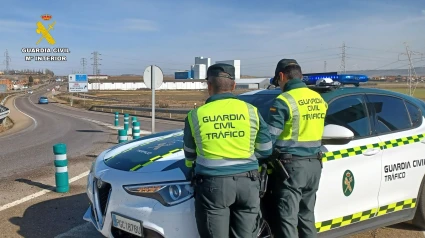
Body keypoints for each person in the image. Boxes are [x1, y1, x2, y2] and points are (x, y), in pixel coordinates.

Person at [183, 63, 273, 238]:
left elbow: (190, 154)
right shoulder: (251, 111)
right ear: (233, 86)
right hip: (249, 184)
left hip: (213, 187)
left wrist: (191, 166)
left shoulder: (195, 115)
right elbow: (266, 149)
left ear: (209, 86)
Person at [267, 59, 328, 238]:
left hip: (292, 167)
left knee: (288, 218)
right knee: (307, 216)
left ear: (281, 76)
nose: (279, 86)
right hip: (315, 165)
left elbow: (270, 137)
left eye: (278, 82)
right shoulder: (318, 98)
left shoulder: (283, 101)